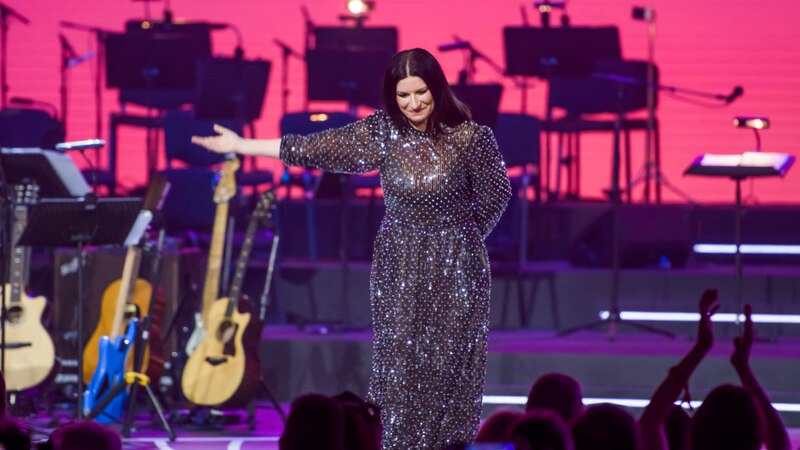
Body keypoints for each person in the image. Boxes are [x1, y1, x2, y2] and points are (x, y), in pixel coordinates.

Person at [193, 47, 512, 449]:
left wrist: (461, 240)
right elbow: (314, 147)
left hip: (457, 268)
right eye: (403, 95)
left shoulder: (472, 138)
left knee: (449, 370)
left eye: (421, 93)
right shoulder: (383, 133)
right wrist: (242, 145)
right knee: (398, 370)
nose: (413, 103)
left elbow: (496, 195)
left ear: (438, 89)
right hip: (399, 264)